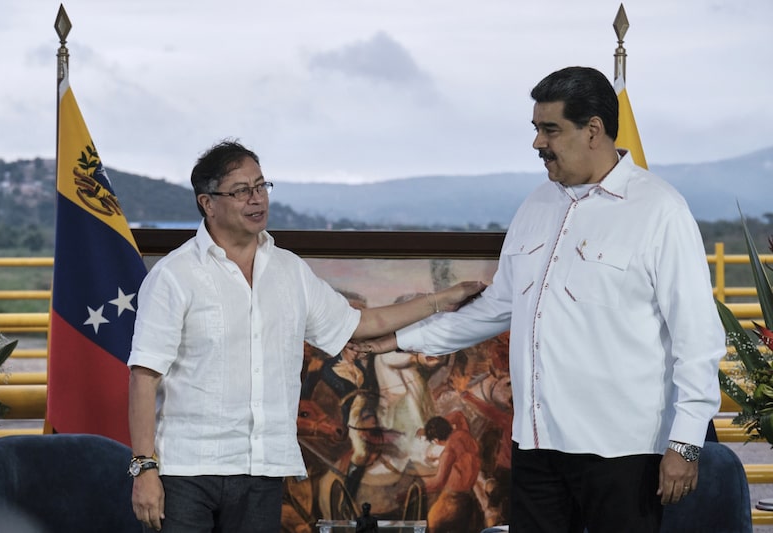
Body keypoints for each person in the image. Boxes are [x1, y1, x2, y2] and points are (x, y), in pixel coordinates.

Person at [358, 66, 726, 533]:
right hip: (537, 447)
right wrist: (399, 340)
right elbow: (496, 309)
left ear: (594, 130)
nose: (538, 143)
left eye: (550, 129)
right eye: (536, 129)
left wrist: (686, 444)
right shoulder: (535, 206)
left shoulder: (661, 211)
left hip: (623, 454)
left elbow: (699, 341)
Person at [126, 139, 484, 533]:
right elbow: (144, 376)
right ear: (207, 203)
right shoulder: (174, 276)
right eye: (241, 191)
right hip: (186, 472)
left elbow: (359, 324)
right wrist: (144, 467)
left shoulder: (289, 271)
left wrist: (440, 300)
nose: (256, 199)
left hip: (262, 471)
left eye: (261, 186)